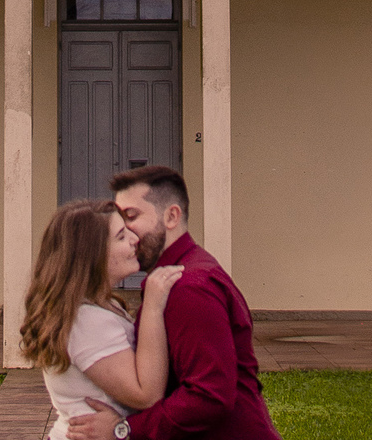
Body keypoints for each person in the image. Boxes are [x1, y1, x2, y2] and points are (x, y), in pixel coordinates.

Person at [68, 167, 281, 440]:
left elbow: (209, 396)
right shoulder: (175, 277)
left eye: (131, 217)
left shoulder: (188, 287)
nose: (125, 231)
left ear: (171, 216)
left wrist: (124, 429)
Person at [20, 197, 185, 440]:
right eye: (121, 236)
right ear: (92, 256)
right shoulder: (87, 321)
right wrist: (152, 306)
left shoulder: (89, 308)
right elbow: (147, 395)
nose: (134, 239)